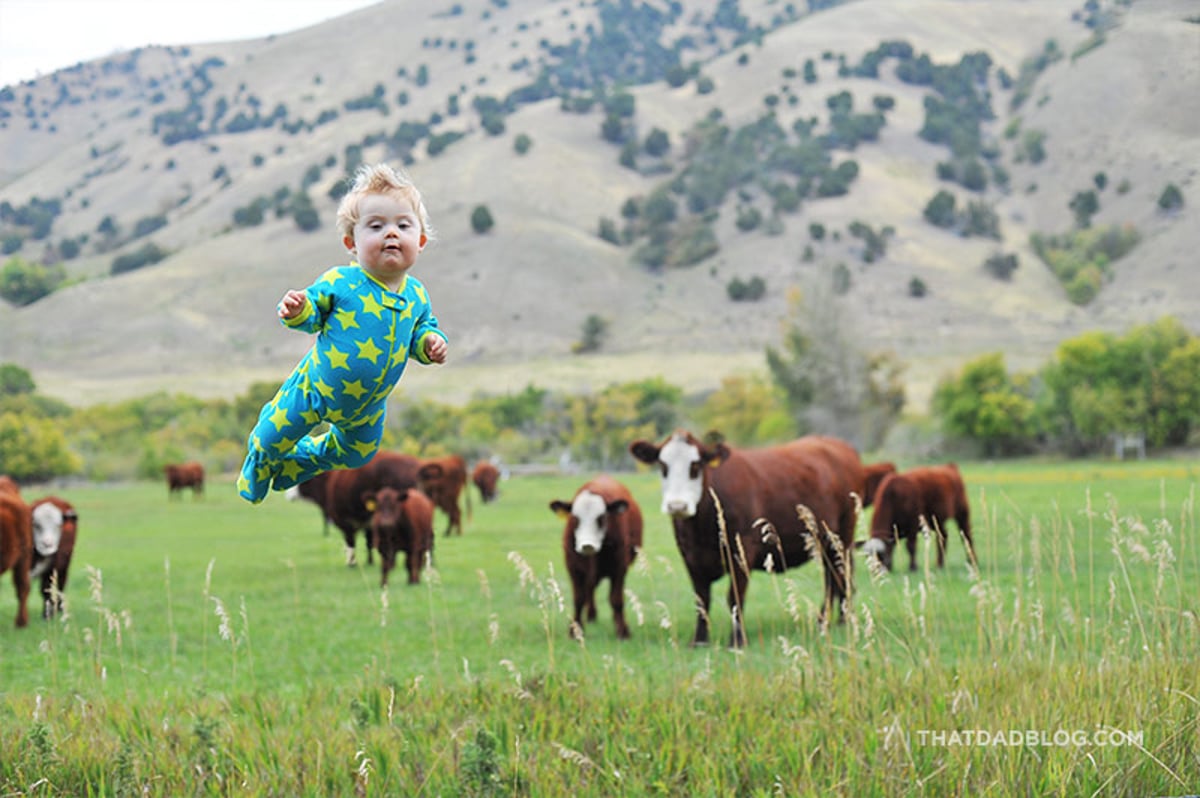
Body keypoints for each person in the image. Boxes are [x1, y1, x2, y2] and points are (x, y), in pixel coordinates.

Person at [237, 163, 448, 504]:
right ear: (352, 242)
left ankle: (299, 463)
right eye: (376, 226)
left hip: (367, 408)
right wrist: (298, 310)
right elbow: (312, 312)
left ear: (420, 241)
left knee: (357, 454)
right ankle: (261, 461)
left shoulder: (417, 296)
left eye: (403, 225)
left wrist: (430, 345)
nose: (391, 233)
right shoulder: (342, 282)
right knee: (271, 436)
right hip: (314, 390)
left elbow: (423, 332)